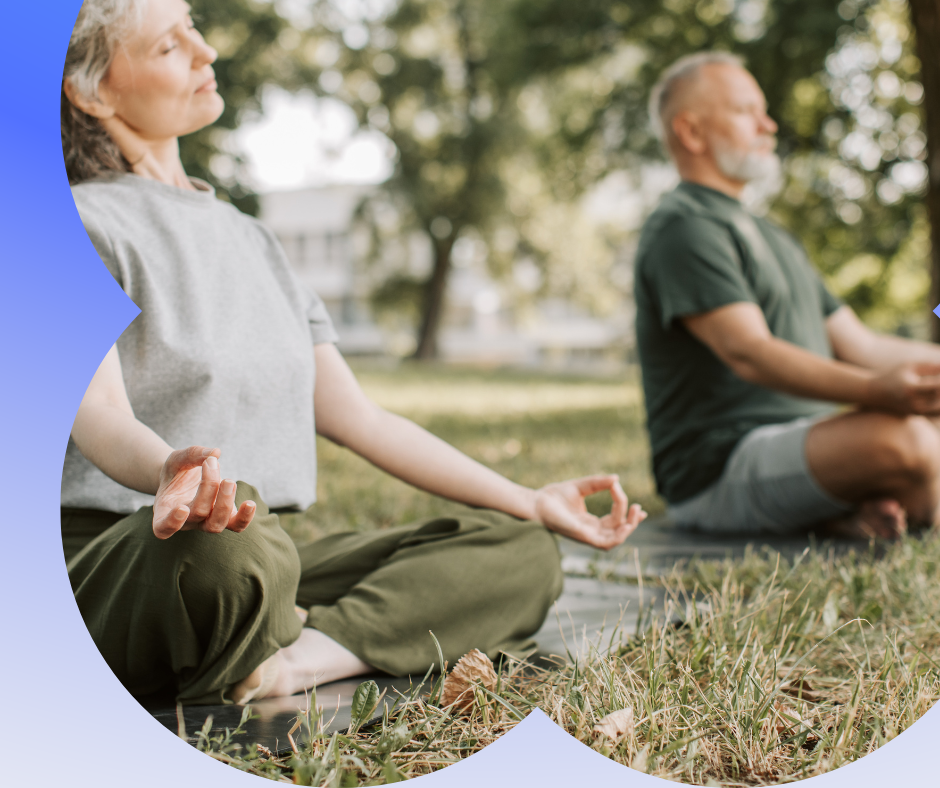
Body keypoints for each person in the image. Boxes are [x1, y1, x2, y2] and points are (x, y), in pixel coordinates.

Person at [61, 0, 647, 706]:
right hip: (145, 556)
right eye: (168, 46)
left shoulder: (256, 241)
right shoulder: (72, 225)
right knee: (224, 537)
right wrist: (167, 471)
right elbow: (95, 412)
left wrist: (530, 499)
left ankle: (292, 661)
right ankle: (261, 627)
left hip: (271, 552)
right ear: (93, 91)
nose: (206, 52)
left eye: (196, 28)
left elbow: (362, 420)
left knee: (519, 547)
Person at [635, 51, 940, 539]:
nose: (769, 125)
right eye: (745, 111)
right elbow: (750, 353)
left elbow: (864, 347)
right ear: (691, 133)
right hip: (720, 467)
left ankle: (846, 509)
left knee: (924, 431)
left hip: (811, 447)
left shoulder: (773, 237)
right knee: (910, 441)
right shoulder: (685, 227)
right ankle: (900, 503)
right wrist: (875, 391)